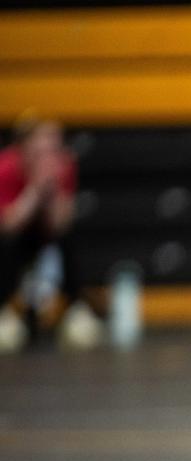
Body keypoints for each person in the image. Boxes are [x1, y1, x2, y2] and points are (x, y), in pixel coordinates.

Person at [0, 116, 103, 353]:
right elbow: (8, 224)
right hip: (15, 233)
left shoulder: (63, 165)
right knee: (6, 244)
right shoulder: (5, 167)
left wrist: (52, 189)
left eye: (53, 148)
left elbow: (60, 224)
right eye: (40, 149)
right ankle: (3, 307)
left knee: (70, 239)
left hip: (44, 230)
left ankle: (75, 307)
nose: (48, 156)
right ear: (24, 149)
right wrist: (34, 190)